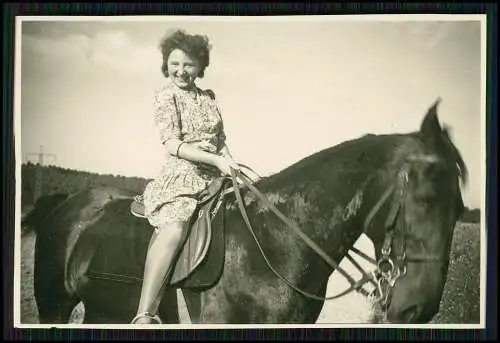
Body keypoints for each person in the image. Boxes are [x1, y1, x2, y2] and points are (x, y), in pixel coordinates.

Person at [131, 29, 240, 324]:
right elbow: (172, 144)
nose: (181, 71)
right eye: (174, 63)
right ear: (166, 64)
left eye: (188, 64)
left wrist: (230, 162)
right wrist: (215, 159)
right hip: (182, 173)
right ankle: (145, 313)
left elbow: (221, 140)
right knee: (177, 226)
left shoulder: (209, 98)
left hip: (217, 171)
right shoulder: (166, 96)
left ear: (200, 67)